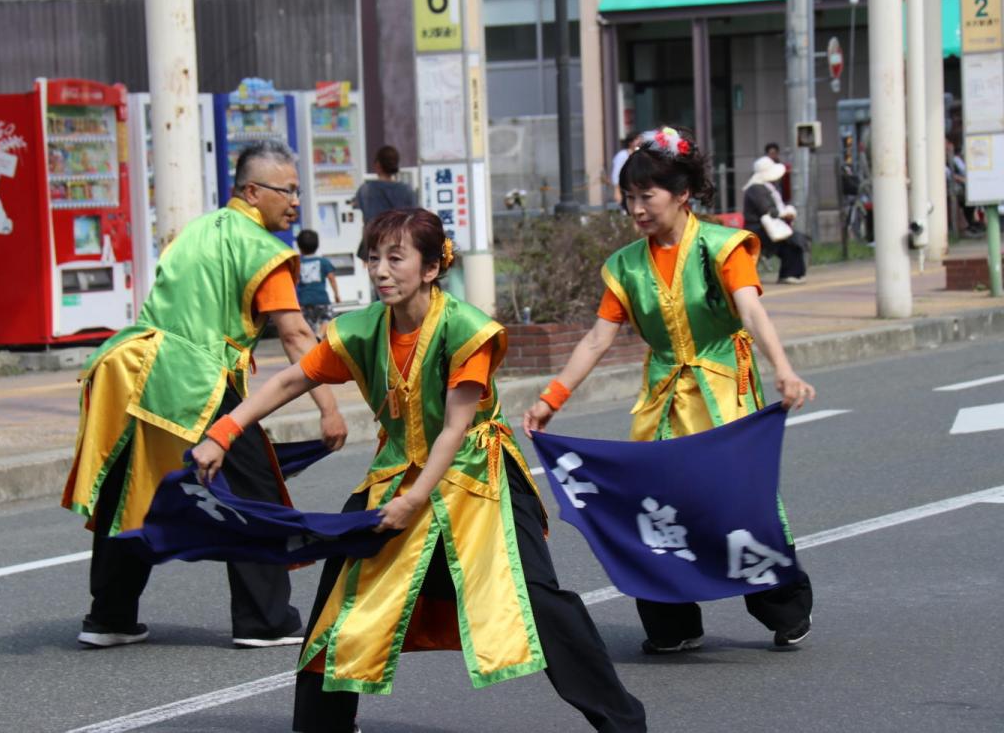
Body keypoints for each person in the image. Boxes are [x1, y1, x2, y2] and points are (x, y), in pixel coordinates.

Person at [193, 209, 647, 733]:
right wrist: (223, 433)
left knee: (537, 600)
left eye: (396, 258)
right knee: (340, 605)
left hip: (480, 477)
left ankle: (622, 721)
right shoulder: (362, 330)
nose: (381, 270)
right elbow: (290, 381)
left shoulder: (466, 330)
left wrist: (415, 500)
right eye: (373, 257)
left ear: (431, 268)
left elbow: (454, 430)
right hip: (398, 475)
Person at [524, 126, 816, 655]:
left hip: (724, 392)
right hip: (662, 398)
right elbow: (596, 339)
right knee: (656, 509)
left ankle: (784, 607)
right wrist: (552, 398)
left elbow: (750, 309)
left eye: (647, 196)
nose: (636, 209)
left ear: (682, 194)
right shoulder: (625, 266)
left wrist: (784, 369)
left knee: (741, 504)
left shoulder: (722, 247)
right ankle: (672, 624)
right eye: (628, 198)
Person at [62, 141, 349, 649]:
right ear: (253, 191)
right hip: (196, 378)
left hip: (134, 370)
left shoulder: (194, 230)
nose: (296, 201)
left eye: (298, 190)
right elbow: (296, 335)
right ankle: (265, 619)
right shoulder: (263, 248)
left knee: (132, 493)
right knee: (254, 489)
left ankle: (109, 616)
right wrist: (329, 408)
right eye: (288, 190)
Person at [743, 155, 808, 284]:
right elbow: (766, 209)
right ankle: (789, 273)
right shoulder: (755, 188)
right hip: (759, 229)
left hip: (769, 227)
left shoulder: (765, 187)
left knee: (794, 240)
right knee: (792, 242)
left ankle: (792, 273)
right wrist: (784, 214)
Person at [352, 145, 416, 259]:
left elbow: (363, 218)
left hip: (375, 246)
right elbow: (415, 218)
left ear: (378, 165)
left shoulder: (366, 190)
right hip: (401, 245)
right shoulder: (406, 190)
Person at [296, 228, 341, 338]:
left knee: (308, 324)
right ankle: (320, 334)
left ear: (299, 247)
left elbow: (295, 281)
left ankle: (312, 341)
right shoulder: (323, 262)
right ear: (317, 245)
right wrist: (336, 294)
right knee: (327, 317)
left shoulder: (298, 264)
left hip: (304, 301)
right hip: (321, 299)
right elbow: (332, 278)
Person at [946, 137, 982, 237]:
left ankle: (973, 222)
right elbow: (948, 175)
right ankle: (966, 225)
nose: (949, 146)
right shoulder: (939, 161)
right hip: (950, 186)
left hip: (961, 185)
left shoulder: (955, 159)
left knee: (970, 192)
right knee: (963, 194)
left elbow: (965, 171)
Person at [611, 132, 641, 206]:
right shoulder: (622, 155)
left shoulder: (640, 155)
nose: (639, 141)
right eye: (636, 139)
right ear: (630, 142)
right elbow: (616, 174)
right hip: (625, 189)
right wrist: (617, 191)